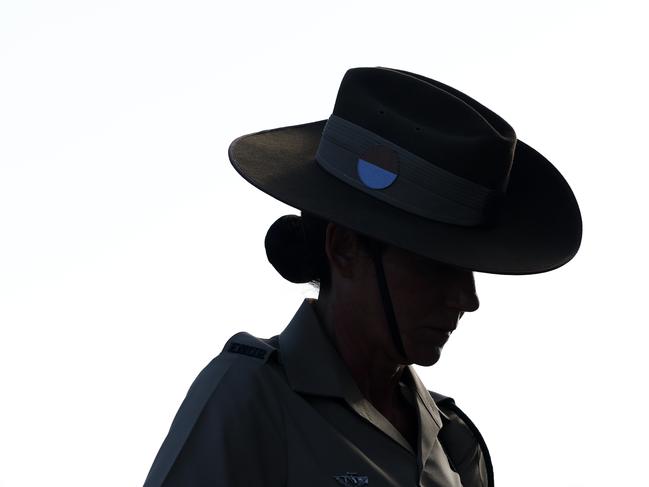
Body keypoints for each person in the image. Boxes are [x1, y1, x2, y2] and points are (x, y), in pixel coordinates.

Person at [142, 66, 582, 487]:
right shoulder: (250, 398)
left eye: (469, 269)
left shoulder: (455, 443)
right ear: (345, 248)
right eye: (436, 266)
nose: (467, 298)